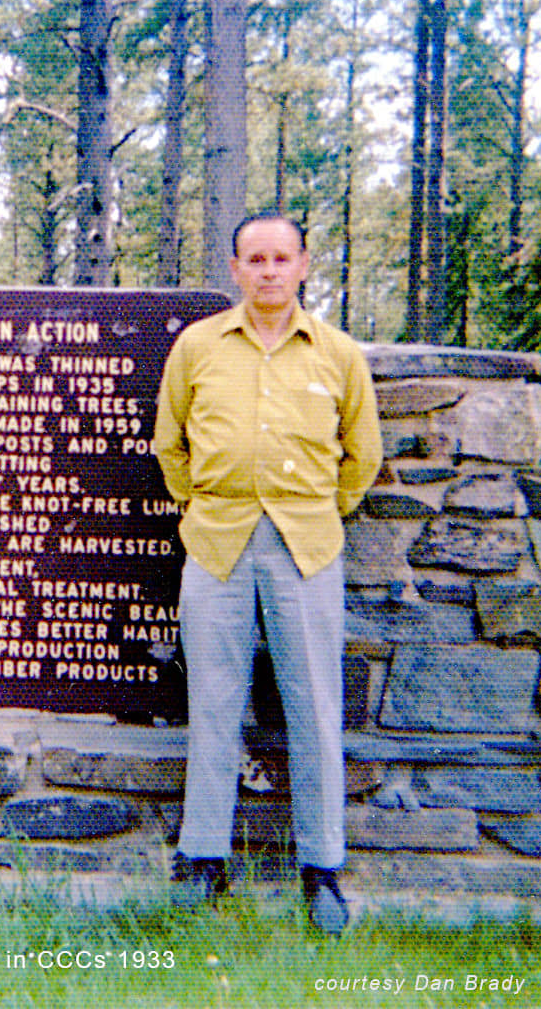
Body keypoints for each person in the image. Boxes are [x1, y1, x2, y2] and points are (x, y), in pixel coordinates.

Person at [152, 212, 382, 934]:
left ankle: (321, 868)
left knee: (313, 705)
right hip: (217, 540)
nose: (269, 271)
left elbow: (362, 455)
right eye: (256, 259)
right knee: (213, 703)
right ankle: (202, 859)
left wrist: (318, 511)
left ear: (304, 265)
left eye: (282, 258)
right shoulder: (199, 347)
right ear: (235, 269)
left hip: (304, 546)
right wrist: (202, 501)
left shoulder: (337, 354)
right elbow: (171, 441)